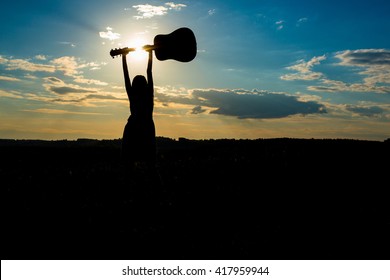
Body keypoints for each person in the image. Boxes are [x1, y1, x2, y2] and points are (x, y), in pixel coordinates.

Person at [121, 46, 162, 186]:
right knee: (150, 164)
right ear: (145, 85)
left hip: (133, 128)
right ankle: (155, 187)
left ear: (134, 85)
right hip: (146, 128)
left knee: (129, 164)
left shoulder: (132, 94)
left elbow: (126, 75)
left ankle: (128, 186)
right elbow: (149, 71)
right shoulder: (148, 95)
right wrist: (150, 52)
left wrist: (124, 56)